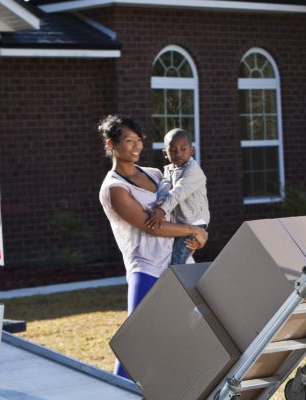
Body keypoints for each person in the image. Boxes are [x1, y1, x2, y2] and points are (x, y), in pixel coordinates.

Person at [97, 114, 208, 378]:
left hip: (178, 262)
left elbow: (180, 210)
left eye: (138, 141)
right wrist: (194, 230)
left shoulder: (157, 174)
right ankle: (119, 394)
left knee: (188, 333)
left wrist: (198, 234)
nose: (136, 147)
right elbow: (151, 226)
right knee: (135, 340)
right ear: (111, 144)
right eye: (128, 141)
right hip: (146, 268)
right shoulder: (114, 189)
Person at [145, 128, 210, 265]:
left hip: (195, 222)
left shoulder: (193, 171)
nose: (178, 153)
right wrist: (160, 200)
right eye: (173, 150)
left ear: (191, 150)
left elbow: (178, 192)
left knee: (177, 260)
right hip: (181, 223)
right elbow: (165, 186)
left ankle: (173, 283)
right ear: (165, 153)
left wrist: (162, 210)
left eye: (183, 149)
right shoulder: (169, 169)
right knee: (171, 255)